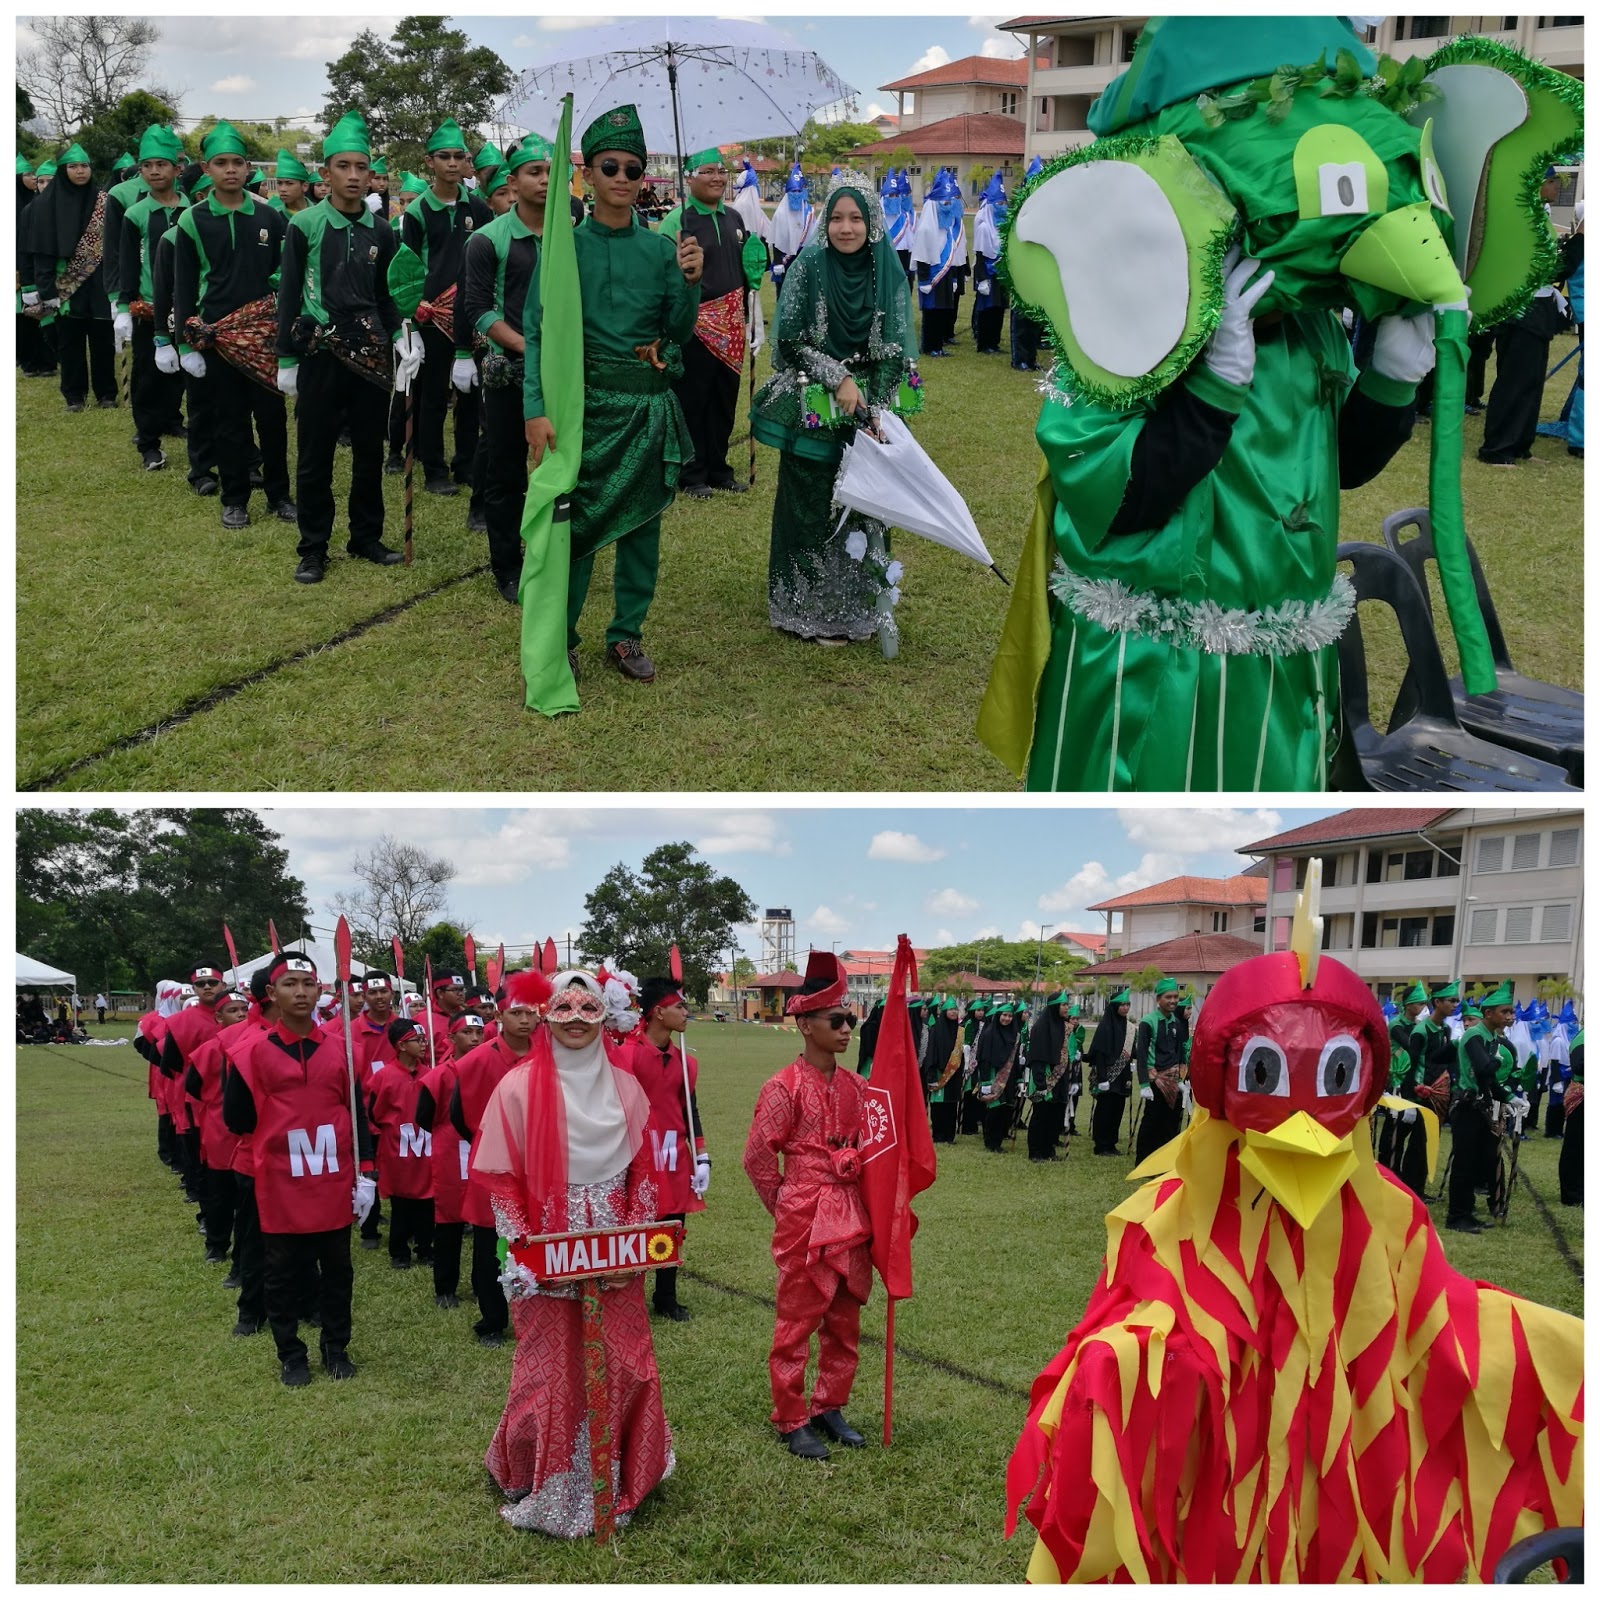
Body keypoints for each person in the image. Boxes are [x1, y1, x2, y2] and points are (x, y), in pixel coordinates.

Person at [472, 967, 675, 1535]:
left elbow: (643, 1174)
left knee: (626, 1359)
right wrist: (524, 1248)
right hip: (547, 1250)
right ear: (544, 1015)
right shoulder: (515, 1087)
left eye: (589, 1011)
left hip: (614, 1250)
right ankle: (545, 1474)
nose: (577, 1022)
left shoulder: (626, 1088)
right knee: (550, 1365)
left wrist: (630, 1247)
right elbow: (502, 1178)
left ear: (605, 1017)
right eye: (564, 1009)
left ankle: (625, 1473)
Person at [523, 104, 704, 685]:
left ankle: (626, 635)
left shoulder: (660, 250)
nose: (623, 178)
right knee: (574, 528)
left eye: (634, 169)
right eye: (611, 167)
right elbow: (537, 332)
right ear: (589, 174)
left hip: (647, 407)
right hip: (585, 411)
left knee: (642, 528)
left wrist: (690, 283)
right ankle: (565, 636)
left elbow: (676, 332)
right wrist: (535, 410)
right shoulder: (563, 248)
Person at [750, 173, 918, 644]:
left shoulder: (886, 269)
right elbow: (792, 340)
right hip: (814, 399)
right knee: (809, 503)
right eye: (837, 218)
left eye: (856, 219)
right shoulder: (808, 266)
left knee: (865, 505)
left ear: (872, 223)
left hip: (867, 406)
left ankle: (854, 604)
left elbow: (894, 349)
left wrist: (878, 411)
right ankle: (804, 606)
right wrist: (838, 377)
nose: (846, 228)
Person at [223, 951, 376, 1386]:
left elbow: (358, 1114)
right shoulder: (249, 1053)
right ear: (272, 993)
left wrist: (366, 1173)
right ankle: (291, 1353)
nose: (301, 992)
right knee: (282, 1271)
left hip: (333, 1179)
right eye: (290, 983)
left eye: (308, 984)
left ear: (321, 990)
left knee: (338, 1269)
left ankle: (336, 1346)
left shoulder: (347, 1051)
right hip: (280, 1180)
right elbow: (237, 1118)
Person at [276, 109, 415, 584]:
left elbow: (386, 294)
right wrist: (286, 358)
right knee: (314, 454)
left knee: (369, 453)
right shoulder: (305, 226)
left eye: (362, 167)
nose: (354, 176)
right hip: (319, 353)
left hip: (372, 353)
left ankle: (366, 537)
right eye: (343, 167)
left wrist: (401, 334)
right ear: (325, 173)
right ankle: (313, 547)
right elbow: (290, 294)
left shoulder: (381, 231)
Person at [742, 952, 872, 1461]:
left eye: (850, 1020)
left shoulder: (859, 1088)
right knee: (796, 1321)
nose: (846, 1030)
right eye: (836, 1021)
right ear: (804, 1025)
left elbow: (878, 1150)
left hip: (851, 1214)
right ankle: (791, 1415)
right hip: (804, 1212)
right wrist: (790, 1202)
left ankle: (829, 1405)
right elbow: (756, 1159)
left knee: (845, 1318)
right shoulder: (782, 1087)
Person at [171, 121, 295, 530]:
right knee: (229, 420)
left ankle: (279, 495)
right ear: (206, 169)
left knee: (273, 419)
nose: (230, 170)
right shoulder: (191, 221)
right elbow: (184, 288)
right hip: (218, 337)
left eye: (237, 162)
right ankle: (235, 498)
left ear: (248, 169)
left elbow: (285, 276)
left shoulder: (269, 216)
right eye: (220, 163)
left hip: (263, 337)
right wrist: (185, 346)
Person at [462, 133, 550, 604]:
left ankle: (554, 554)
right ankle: (507, 567)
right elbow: (476, 308)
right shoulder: (487, 240)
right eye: (534, 172)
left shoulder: (570, 235)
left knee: (561, 466)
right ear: (512, 182)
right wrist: (528, 348)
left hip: (561, 370)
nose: (544, 181)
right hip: (507, 373)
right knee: (506, 471)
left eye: (552, 173)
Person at [660, 150, 767, 500]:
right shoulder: (677, 221)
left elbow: (744, 270)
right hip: (695, 326)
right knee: (694, 401)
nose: (718, 178)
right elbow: (663, 276)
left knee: (724, 400)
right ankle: (691, 474)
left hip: (733, 325)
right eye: (708, 172)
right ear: (689, 177)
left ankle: (719, 469)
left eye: (722, 171)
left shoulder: (735, 218)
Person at [396, 118, 490, 504]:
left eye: (458, 156)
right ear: (429, 162)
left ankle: (465, 462)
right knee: (432, 393)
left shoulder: (480, 209)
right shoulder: (417, 213)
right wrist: (412, 315)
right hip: (431, 316)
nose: (452, 164)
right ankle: (433, 466)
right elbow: (406, 268)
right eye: (444, 157)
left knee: (470, 391)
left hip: (472, 312)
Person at [452, 975, 540, 1346]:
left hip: (539, 1163)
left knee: (534, 1238)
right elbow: (459, 1116)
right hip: (493, 1163)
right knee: (490, 1244)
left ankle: (535, 1313)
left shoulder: (550, 1057)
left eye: (530, 1013)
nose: (524, 1020)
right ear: (499, 1015)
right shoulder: (474, 1063)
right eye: (515, 1012)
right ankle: (492, 1319)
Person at [617, 977, 709, 1321]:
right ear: (658, 1012)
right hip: (637, 1157)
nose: (687, 1012)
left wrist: (702, 1156)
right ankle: (629, 1295)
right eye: (680, 1006)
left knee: (672, 1228)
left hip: (674, 1158)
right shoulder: (626, 1055)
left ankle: (666, 1297)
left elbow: (690, 1109)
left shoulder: (686, 1061)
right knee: (637, 1226)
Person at [1479, 170, 1571, 466]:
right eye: (1552, 181)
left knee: (1531, 381)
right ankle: (1498, 449)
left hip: (1539, 303)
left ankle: (1520, 445)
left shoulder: (1539, 213)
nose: (1557, 186)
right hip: (1521, 306)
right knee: (1514, 381)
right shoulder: (1520, 214)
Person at [24, 142, 118, 411]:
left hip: (100, 283)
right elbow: (40, 252)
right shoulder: (43, 206)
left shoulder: (104, 202)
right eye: (73, 166)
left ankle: (106, 394)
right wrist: (46, 291)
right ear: (64, 170)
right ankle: (74, 396)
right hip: (65, 284)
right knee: (70, 343)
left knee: (103, 341)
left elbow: (113, 248)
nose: (80, 171)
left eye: (84, 166)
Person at [1447, 982, 1522, 1233]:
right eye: (1505, 1012)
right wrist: (1499, 1061)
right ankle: (1456, 1216)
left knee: (1478, 1161)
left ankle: (1467, 1213)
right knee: (1464, 1162)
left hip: (1482, 1104)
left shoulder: (1491, 1037)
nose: (1509, 1016)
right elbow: (1483, 1069)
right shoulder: (1474, 1035)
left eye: (1511, 1012)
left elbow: (1489, 1080)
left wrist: (1509, 1097)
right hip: (1467, 1106)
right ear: (1488, 1013)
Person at [160, 963, 231, 1227]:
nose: (207, 988)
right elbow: (170, 1064)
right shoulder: (179, 1022)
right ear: (194, 988)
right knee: (203, 1164)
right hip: (198, 1102)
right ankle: (207, 1215)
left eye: (212, 982)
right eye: (201, 984)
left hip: (238, 1101)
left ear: (222, 985)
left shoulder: (237, 1013)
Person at [183, 989, 250, 1268]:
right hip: (219, 1134)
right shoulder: (210, 1050)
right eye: (233, 1011)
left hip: (246, 1135)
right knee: (219, 1196)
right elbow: (192, 1087)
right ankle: (216, 1244)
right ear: (218, 1017)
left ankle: (245, 1252)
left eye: (244, 1010)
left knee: (246, 1198)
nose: (240, 1016)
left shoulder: (255, 1043)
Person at [366, 1019, 435, 1270]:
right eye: (418, 1040)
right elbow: (375, 1111)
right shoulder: (384, 1076)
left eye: (423, 1039)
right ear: (401, 1045)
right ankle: (399, 1250)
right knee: (401, 1203)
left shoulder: (430, 1074)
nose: (423, 1044)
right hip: (397, 1147)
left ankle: (426, 1247)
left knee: (427, 1201)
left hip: (425, 1146)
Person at [414, 1013, 468, 1309]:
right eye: (467, 1032)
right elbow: (424, 1116)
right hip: (451, 1152)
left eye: (478, 1032)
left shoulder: (490, 1067)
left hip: (484, 1150)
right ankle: (445, 1286)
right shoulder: (438, 1076)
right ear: (451, 1038)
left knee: (490, 1224)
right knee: (449, 1221)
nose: (475, 1038)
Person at [909, 167, 966, 357]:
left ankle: (939, 345)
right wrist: (924, 281)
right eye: (945, 203)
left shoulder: (946, 229)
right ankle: (929, 346)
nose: (948, 206)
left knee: (943, 311)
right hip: (931, 279)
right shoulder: (926, 228)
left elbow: (951, 254)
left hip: (945, 276)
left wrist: (954, 278)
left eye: (950, 202)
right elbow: (922, 256)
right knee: (931, 314)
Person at [1132, 979, 1186, 1163]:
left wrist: (1180, 1079)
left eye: (1175, 997)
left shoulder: (1176, 1023)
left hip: (1173, 1079)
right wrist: (1144, 1083)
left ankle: (1164, 1162)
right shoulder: (1148, 1022)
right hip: (1155, 1079)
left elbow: (1179, 1052)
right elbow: (1141, 1053)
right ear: (1158, 999)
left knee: (1170, 1122)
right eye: (1168, 997)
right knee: (1152, 1121)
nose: (1173, 1001)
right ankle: (1143, 1161)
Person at [1025, 993, 1079, 1161]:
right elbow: (1037, 1056)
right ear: (1055, 1006)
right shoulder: (1041, 1027)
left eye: (1067, 1005)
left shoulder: (1064, 1027)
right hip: (1045, 1077)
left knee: (1055, 1115)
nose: (1066, 1008)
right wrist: (1041, 1083)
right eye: (1063, 1005)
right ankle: (1035, 1151)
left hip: (1061, 1078)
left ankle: (1049, 1150)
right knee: (1041, 1116)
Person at [1086, 990, 1133, 1155]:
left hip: (1123, 1075)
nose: (1125, 1008)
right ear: (1114, 1006)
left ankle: (1111, 1143)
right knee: (1105, 1110)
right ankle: (1101, 1144)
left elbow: (1132, 1050)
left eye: (1127, 1004)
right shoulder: (1105, 1026)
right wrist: (1102, 1078)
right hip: (1107, 1075)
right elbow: (1099, 1053)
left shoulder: (1129, 1027)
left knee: (1118, 1109)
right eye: (1122, 1005)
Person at [1010, 157, 1045, 371]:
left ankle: (1030, 357)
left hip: (1039, 268)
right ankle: (1020, 358)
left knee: (1035, 317)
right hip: (1023, 269)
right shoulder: (1019, 210)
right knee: (1022, 317)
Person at [970, 171, 1008, 355]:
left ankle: (995, 342)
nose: (1002, 207)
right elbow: (980, 256)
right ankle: (985, 343)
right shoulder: (985, 227)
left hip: (1001, 273)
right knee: (988, 310)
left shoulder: (1003, 227)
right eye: (998, 204)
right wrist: (982, 280)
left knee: (999, 310)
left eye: (1004, 203)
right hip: (988, 273)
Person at [767, 163, 815, 290]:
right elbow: (776, 241)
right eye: (793, 191)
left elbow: (812, 239)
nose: (796, 194)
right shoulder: (780, 214)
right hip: (784, 260)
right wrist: (777, 262)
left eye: (799, 191)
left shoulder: (809, 212)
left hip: (802, 260)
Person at [1558, 1027, 1582, 1206]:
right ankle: (1572, 1193)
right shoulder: (1584, 1038)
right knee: (1576, 1146)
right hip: (1583, 1097)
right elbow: (1579, 1065)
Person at [266, 148, 314, 218]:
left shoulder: (320, 214)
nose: (282, 189)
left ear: (305, 186)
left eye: (289, 183)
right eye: (279, 183)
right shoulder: (273, 216)